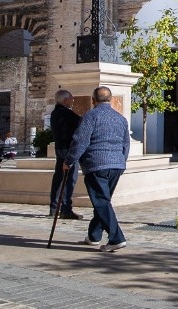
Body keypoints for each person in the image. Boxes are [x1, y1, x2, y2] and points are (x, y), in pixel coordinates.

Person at [63, 86, 131, 251]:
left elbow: (81, 140)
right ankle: (94, 236)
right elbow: (125, 143)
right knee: (103, 201)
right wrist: (122, 161)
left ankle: (116, 238)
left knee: (101, 201)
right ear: (111, 99)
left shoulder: (91, 116)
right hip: (116, 165)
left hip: (96, 164)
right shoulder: (120, 118)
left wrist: (69, 160)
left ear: (93, 100)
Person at [49, 89, 82, 220]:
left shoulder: (54, 113)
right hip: (68, 151)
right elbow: (81, 123)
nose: (73, 101)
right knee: (69, 180)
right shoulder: (66, 113)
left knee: (59, 179)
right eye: (71, 99)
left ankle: (54, 207)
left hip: (60, 149)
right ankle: (65, 208)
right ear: (65, 100)